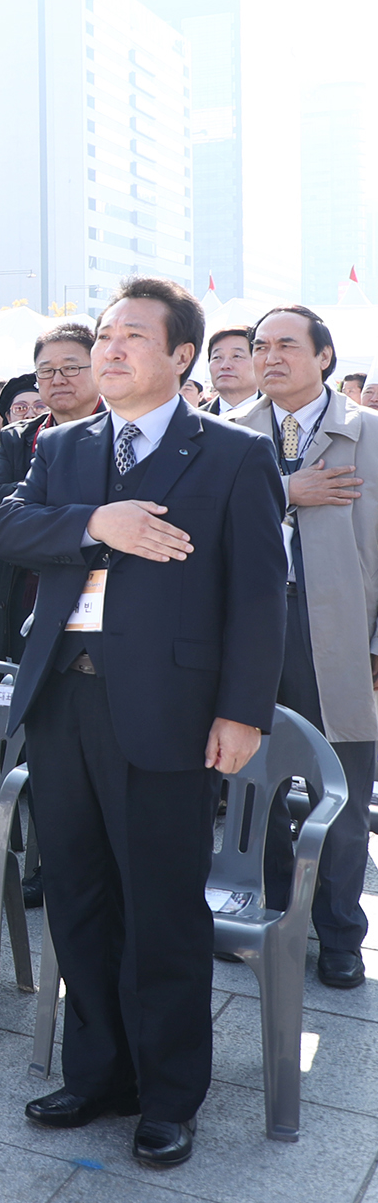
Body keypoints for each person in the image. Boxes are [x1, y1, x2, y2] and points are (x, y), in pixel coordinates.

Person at [0, 277, 282, 1169]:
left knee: (161, 909)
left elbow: (260, 597)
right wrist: (97, 524)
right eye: (105, 336)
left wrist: (243, 713)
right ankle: (98, 1072)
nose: (109, 351)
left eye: (131, 339)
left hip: (168, 712)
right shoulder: (66, 446)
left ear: (182, 356)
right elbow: (8, 526)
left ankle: (168, 1095)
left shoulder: (229, 455)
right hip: (62, 701)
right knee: (76, 896)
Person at [239, 306, 377, 990]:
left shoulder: (369, 434)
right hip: (253, 635)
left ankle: (341, 933)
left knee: (344, 796)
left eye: (287, 345)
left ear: (324, 356)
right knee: (251, 784)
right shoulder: (228, 436)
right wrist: (285, 492)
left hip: (345, 637)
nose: (270, 357)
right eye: (260, 345)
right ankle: (261, 914)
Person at [0, 326, 102, 663]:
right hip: (21, 590)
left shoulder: (124, 430)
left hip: (96, 597)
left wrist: (32, 512)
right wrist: (72, 504)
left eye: (71, 368)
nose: (58, 379)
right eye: (46, 370)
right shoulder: (19, 437)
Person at [200, 324, 260, 417]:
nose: (225, 366)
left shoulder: (279, 417)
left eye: (236, 356)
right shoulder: (194, 421)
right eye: (217, 357)